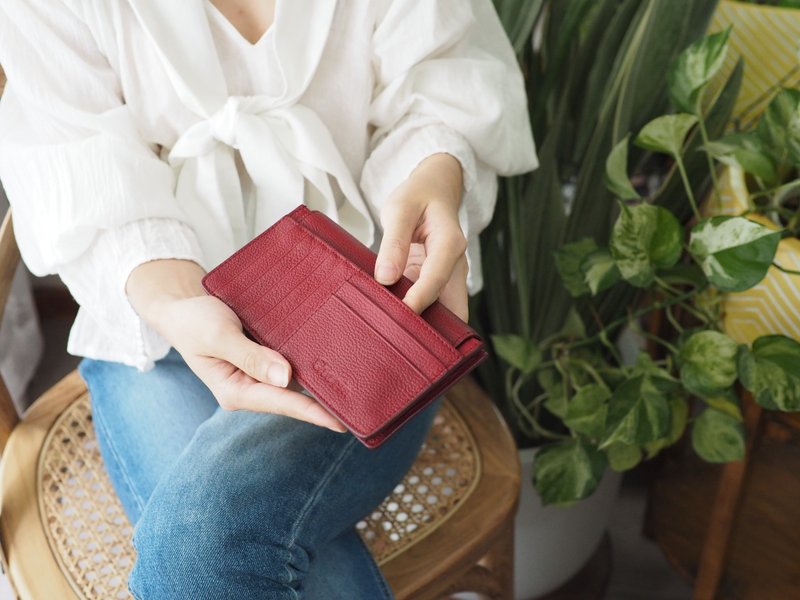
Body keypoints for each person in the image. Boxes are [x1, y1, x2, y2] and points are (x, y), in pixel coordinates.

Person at [0, 0, 537, 597]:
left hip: (363, 323)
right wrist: (178, 302)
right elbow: (73, 151)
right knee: (216, 553)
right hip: (158, 332)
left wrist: (431, 177)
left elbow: (441, 83)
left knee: (203, 546)